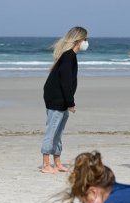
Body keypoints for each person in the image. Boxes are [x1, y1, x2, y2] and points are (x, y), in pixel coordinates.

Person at [41, 26, 89, 174]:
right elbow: (65, 82)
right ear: (78, 40)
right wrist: (70, 102)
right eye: (85, 39)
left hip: (61, 100)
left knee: (59, 133)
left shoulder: (70, 56)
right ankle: (45, 165)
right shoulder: (68, 56)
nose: (86, 42)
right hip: (57, 100)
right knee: (52, 131)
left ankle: (57, 162)